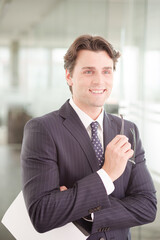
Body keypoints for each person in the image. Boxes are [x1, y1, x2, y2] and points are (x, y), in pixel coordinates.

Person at [21, 35, 157, 240]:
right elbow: (43, 214)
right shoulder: (42, 129)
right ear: (69, 76)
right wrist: (107, 175)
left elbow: (147, 207)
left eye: (106, 71)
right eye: (88, 71)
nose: (99, 80)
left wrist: (87, 213)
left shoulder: (128, 130)